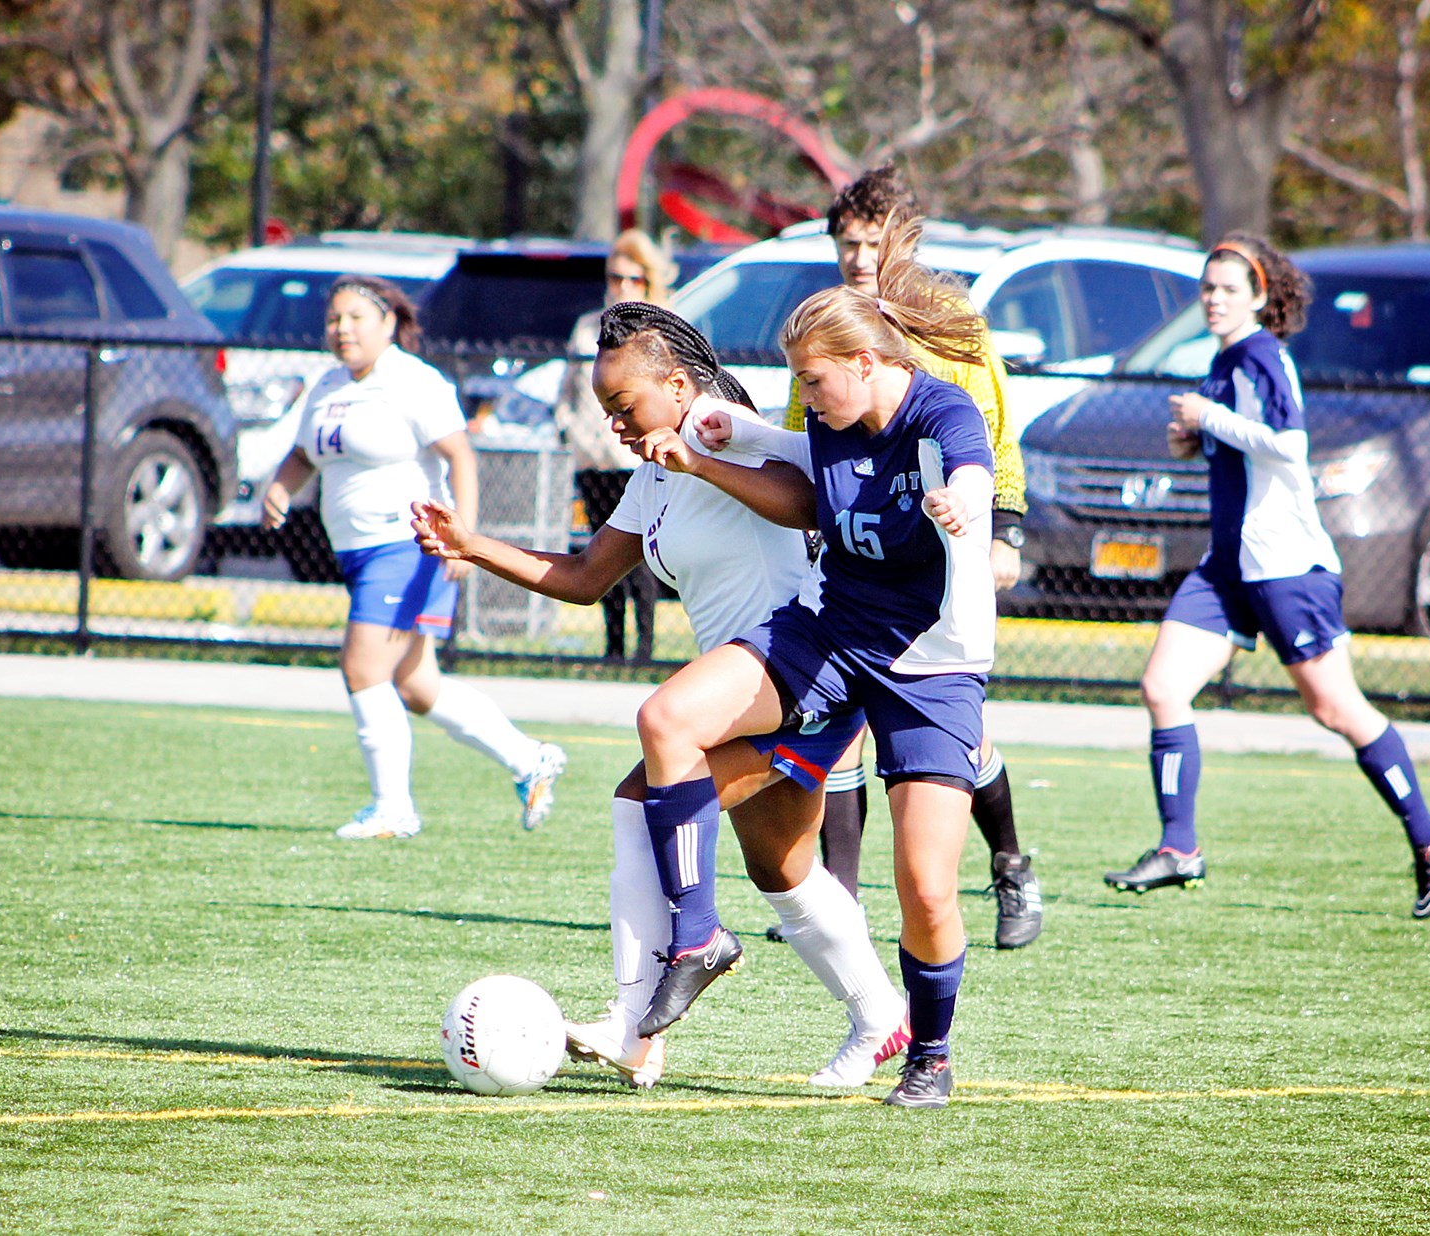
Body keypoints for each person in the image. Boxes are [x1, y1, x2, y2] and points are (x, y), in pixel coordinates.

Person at [413, 301, 911, 1089]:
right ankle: (883, 1018)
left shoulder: (719, 425)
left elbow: (812, 501)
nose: (613, 421)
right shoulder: (653, 466)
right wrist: (472, 546)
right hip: (748, 680)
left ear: (678, 385)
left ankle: (660, 988)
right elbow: (583, 580)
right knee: (781, 867)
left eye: (624, 404)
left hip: (806, 657)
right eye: (606, 408)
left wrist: (699, 459)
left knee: (657, 747)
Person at [629, 211, 998, 1108]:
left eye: (814, 379)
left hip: (931, 668)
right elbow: (818, 462)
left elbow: (972, 466)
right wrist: (737, 433)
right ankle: (696, 936)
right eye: (798, 380)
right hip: (828, 635)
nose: (806, 395)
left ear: (867, 365)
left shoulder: (939, 409)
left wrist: (962, 501)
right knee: (666, 723)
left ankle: (929, 1054)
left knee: (924, 886)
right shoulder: (832, 417)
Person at [1103, 233, 1430, 918]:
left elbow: (1289, 448)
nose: (1212, 299)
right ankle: (1179, 847)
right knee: (1162, 686)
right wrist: (1196, 439)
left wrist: (1211, 418)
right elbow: (1241, 446)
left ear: (1260, 297)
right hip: (1229, 565)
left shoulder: (1264, 357)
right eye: (1207, 288)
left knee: (1335, 709)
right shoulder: (1224, 359)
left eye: (1228, 289)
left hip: (1286, 567)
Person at [772, 163, 1041, 950]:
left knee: (961, 736)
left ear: (902, 236)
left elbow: (992, 423)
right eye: (846, 242)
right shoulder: (831, 329)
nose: (859, 255)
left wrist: (1003, 526)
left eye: (872, 239)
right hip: (862, 558)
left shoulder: (947, 314)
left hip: (947, 549)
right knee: (842, 727)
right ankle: (840, 903)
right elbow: (808, 432)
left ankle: (1011, 862)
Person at [262, 274, 566, 839]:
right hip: (357, 553)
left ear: (388, 324)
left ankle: (392, 808)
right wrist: (281, 486)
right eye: (334, 319)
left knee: (361, 666)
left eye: (356, 317)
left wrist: (464, 537)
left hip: (406, 544)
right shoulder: (327, 384)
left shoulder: (412, 381)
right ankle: (530, 759)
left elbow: (460, 457)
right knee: (417, 686)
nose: (342, 328)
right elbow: (303, 455)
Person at [551, 230, 676, 662]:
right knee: (600, 555)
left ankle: (644, 648)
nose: (622, 287)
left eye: (633, 280)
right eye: (615, 277)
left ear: (649, 282)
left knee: (639, 553)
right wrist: (566, 426)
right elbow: (567, 389)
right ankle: (613, 647)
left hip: (635, 459)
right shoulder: (589, 327)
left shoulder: (658, 327)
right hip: (593, 456)